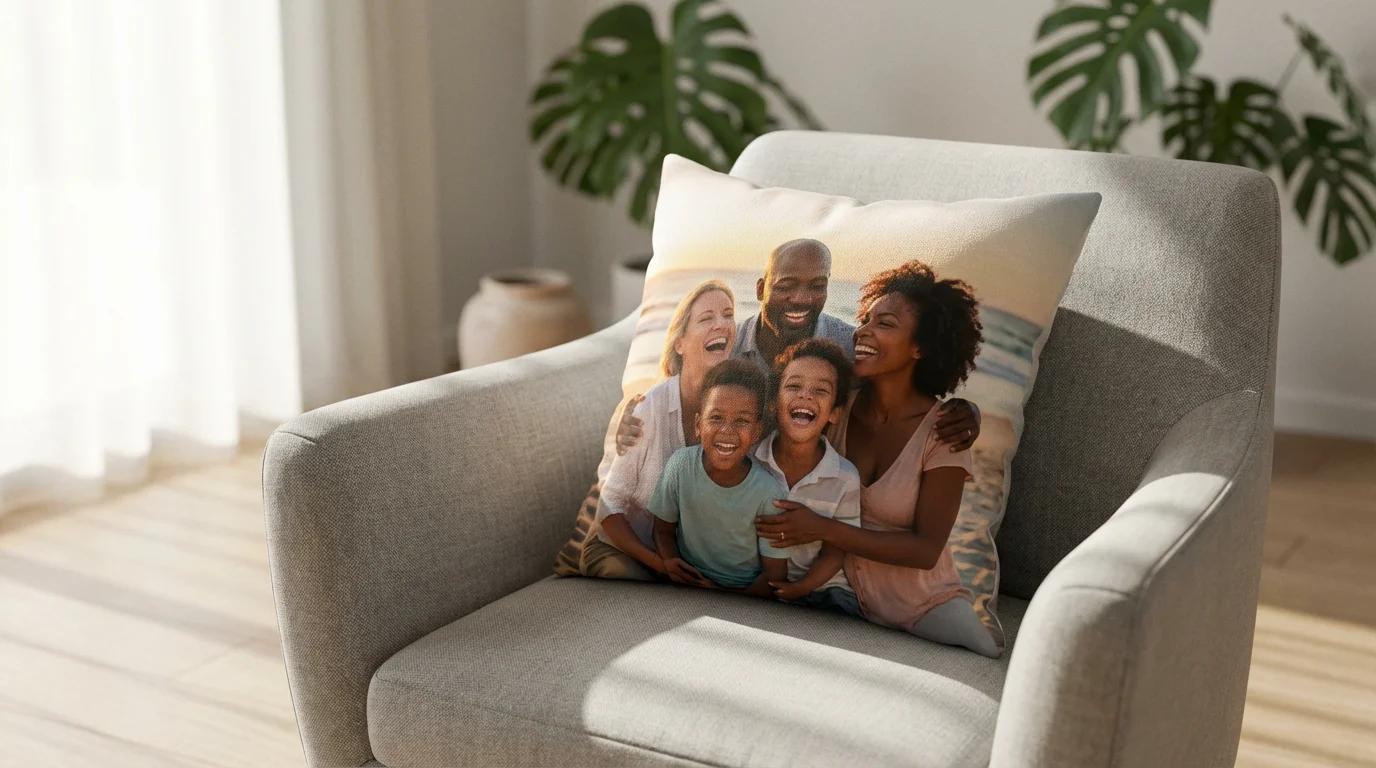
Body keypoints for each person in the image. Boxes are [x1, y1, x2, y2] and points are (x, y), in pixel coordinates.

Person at [755, 261, 998, 656]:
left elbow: (926, 550)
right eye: (864, 320)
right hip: (837, 595)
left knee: (985, 655)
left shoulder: (944, 432)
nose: (862, 331)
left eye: (884, 323)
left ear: (921, 345)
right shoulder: (836, 406)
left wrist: (823, 528)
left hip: (925, 607)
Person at [614, 238, 983, 456]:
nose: (802, 299)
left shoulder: (849, 344)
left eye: (817, 286)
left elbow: (900, 386)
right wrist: (632, 417)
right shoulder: (729, 346)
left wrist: (964, 410)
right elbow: (676, 395)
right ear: (761, 289)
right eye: (787, 285)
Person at [584, 280, 736, 580]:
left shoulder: (735, 407)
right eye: (706, 318)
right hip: (623, 550)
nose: (721, 324)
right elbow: (609, 507)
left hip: (680, 563)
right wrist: (658, 563)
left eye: (728, 315)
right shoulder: (649, 410)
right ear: (679, 343)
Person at [650, 359, 788, 596]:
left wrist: (724, 595)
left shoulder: (768, 493)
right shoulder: (680, 466)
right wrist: (670, 562)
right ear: (698, 424)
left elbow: (774, 576)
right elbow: (662, 531)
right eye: (715, 417)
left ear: (757, 431)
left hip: (743, 595)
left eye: (742, 421)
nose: (727, 431)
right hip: (686, 587)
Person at [753, 338, 865, 618]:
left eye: (820, 390)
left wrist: (801, 588)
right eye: (793, 386)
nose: (805, 396)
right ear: (773, 403)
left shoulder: (845, 477)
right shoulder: (752, 461)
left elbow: (836, 552)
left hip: (825, 588)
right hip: (760, 583)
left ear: (835, 413)